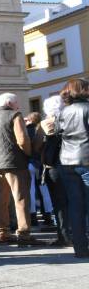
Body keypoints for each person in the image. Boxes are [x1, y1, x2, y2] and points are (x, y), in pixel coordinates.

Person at [0, 93, 44, 246]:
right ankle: (24, 234)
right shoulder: (14, 115)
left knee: (2, 199)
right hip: (16, 163)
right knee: (21, 198)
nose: (19, 106)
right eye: (17, 103)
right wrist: (30, 153)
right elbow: (23, 140)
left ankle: (2, 232)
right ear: (10, 103)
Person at [56, 78, 89, 258]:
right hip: (86, 161)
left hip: (67, 162)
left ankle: (80, 248)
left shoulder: (63, 112)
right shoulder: (87, 109)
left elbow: (57, 133)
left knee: (75, 206)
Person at [38, 96, 71, 247]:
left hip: (54, 167)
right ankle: (77, 234)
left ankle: (64, 236)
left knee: (59, 204)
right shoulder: (71, 119)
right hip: (72, 163)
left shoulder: (45, 124)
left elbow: (36, 147)